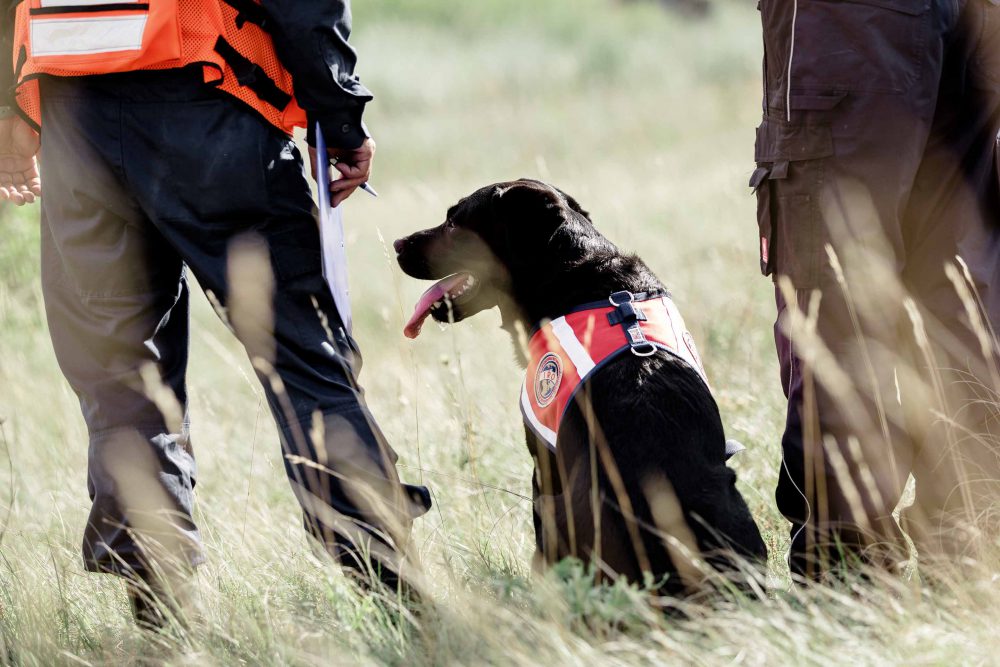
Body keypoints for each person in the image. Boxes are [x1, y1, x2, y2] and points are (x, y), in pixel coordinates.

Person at [0, 0, 430, 626]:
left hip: (75, 116)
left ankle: (160, 620)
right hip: (211, 102)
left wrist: (10, 109)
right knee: (304, 362)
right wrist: (339, 113)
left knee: (120, 380)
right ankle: (396, 602)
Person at [753, 0, 1000, 579]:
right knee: (959, 282)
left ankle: (847, 572)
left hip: (852, 24)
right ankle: (967, 549)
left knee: (835, 287)